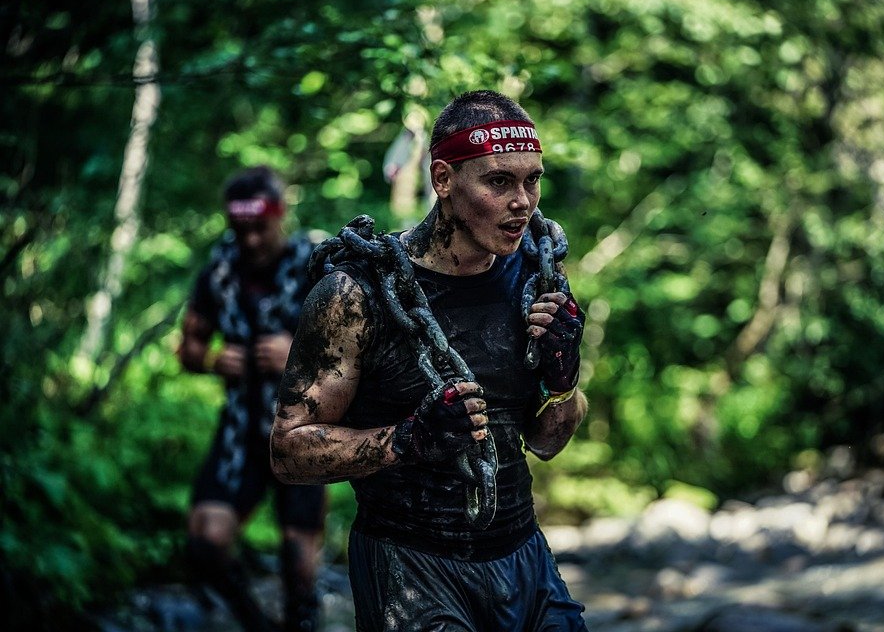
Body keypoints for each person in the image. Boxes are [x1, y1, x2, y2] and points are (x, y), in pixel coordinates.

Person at [270, 90, 589, 631]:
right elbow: (289, 453)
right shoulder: (358, 294)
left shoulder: (535, 275)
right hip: (410, 564)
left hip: (522, 554)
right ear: (443, 180)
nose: (524, 202)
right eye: (499, 182)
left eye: (532, 179)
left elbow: (546, 440)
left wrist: (563, 379)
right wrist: (408, 440)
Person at [177, 165, 326, 632]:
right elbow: (189, 348)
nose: (251, 240)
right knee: (207, 536)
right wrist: (211, 360)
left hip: (299, 428)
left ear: (279, 216)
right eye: (240, 229)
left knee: (299, 559)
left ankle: (302, 620)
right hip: (241, 432)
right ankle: (254, 622)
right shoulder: (218, 270)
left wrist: (297, 355)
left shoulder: (316, 264)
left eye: (260, 228)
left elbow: (361, 352)